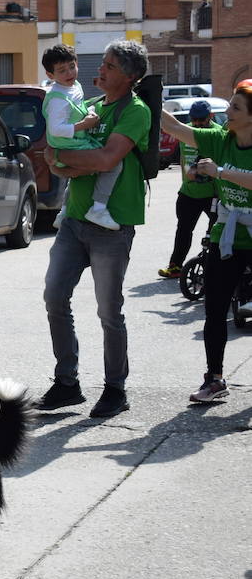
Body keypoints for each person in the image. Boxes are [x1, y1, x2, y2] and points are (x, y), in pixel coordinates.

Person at [38, 40, 150, 419]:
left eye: (109, 66)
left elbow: (105, 158)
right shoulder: (91, 106)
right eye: (101, 64)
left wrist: (62, 158)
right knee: (55, 297)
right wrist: (63, 162)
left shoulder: (135, 111)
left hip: (112, 226)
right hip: (75, 220)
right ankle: (67, 382)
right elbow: (59, 156)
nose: (98, 71)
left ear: (130, 76)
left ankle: (115, 388)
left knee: (108, 311)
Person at [160, 79, 252, 403]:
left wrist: (220, 172)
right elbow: (174, 127)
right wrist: (138, 94)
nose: (227, 110)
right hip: (227, 237)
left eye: (235, 107)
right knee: (214, 309)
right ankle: (215, 379)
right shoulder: (220, 138)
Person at [41, 43, 122, 231]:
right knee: (113, 164)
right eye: (62, 71)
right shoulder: (57, 99)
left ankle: (63, 211)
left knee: (75, 177)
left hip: (74, 143)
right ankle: (99, 208)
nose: (69, 73)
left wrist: (89, 111)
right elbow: (56, 129)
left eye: (72, 66)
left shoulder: (72, 86)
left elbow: (76, 108)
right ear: (50, 75)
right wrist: (85, 124)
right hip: (69, 146)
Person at [157, 98, 220, 279]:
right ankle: (175, 266)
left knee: (216, 233)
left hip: (213, 195)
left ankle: (216, 268)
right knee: (183, 230)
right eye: (195, 120)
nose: (198, 124)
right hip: (188, 193)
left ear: (211, 116)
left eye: (202, 120)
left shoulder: (218, 133)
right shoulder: (186, 131)